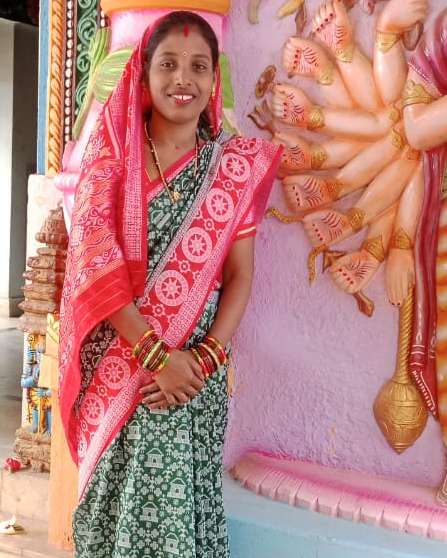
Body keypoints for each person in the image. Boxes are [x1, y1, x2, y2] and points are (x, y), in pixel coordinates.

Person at [58, 10, 282, 557]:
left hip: (193, 378)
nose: (184, 78)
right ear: (144, 72)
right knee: (118, 515)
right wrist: (157, 355)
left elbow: (240, 275)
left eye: (199, 66)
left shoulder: (233, 167)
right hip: (123, 369)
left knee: (182, 518)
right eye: (169, 64)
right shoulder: (110, 164)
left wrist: (203, 359)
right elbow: (94, 270)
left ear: (214, 82)